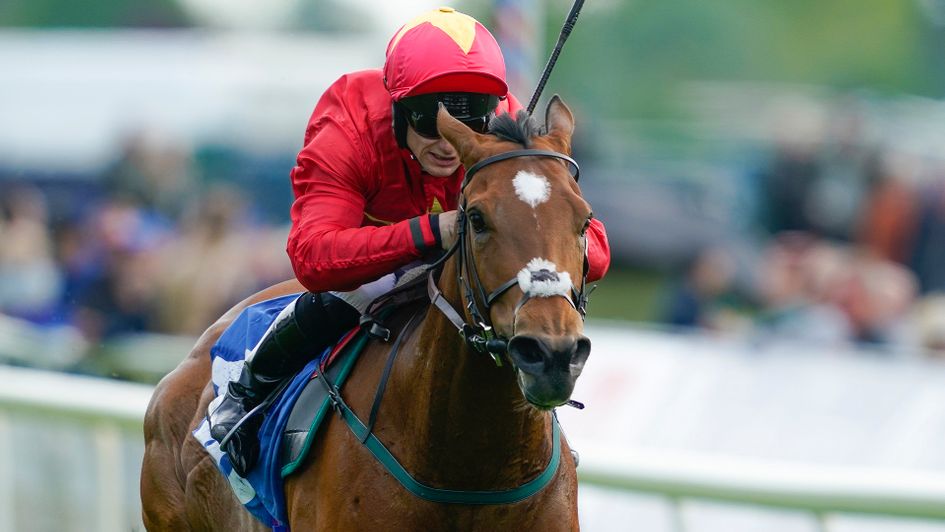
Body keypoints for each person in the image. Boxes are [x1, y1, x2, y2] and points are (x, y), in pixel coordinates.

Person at [209, 7, 611, 477]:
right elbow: (313, 258)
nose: (446, 142)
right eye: (428, 120)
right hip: (367, 265)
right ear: (398, 107)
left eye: (471, 120)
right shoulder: (348, 127)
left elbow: (593, 245)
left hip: (466, 264)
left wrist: (541, 246)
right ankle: (247, 390)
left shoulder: (501, 125)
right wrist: (431, 232)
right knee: (360, 293)